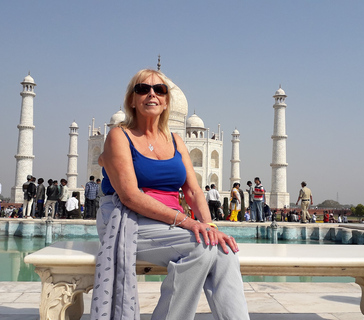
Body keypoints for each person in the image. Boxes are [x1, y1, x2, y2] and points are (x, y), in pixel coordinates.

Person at [90, 69, 248, 320]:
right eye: (142, 89)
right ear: (132, 99)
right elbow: (130, 196)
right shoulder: (119, 135)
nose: (151, 94)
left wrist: (209, 225)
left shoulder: (175, 139)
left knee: (223, 250)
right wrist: (187, 221)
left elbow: (193, 190)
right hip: (127, 220)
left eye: (159, 90)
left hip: (167, 221)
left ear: (166, 102)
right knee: (201, 248)